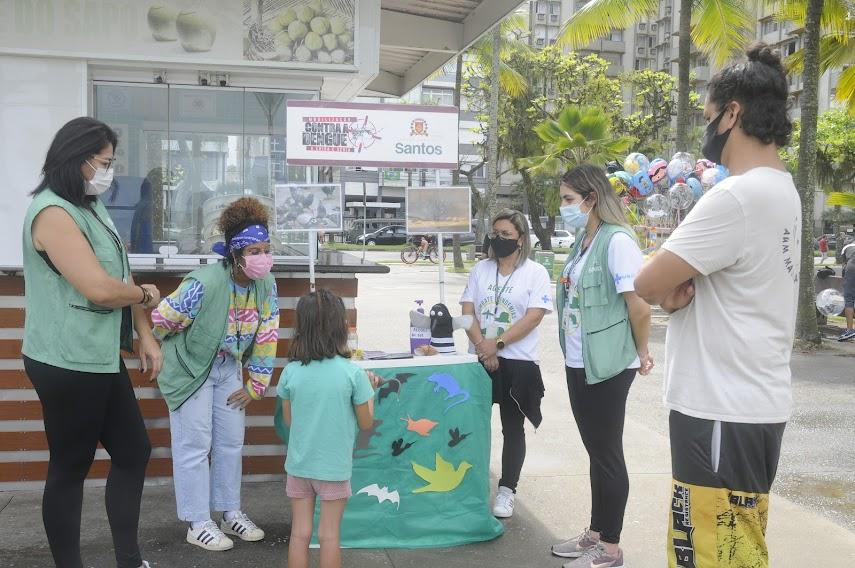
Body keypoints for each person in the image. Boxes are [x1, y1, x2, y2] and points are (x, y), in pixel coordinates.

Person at [634, 42, 799, 567]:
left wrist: (670, 292)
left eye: (709, 116)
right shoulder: (783, 191)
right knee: (736, 548)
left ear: (733, 113)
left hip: (720, 407)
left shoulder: (735, 196)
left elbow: (647, 280)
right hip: (751, 405)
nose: (707, 132)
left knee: (710, 553)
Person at [21, 117, 162, 568]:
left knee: (133, 450)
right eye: (104, 162)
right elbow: (101, 289)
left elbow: (119, 271)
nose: (110, 170)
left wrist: (144, 332)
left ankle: (129, 558)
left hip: (97, 355)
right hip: (65, 358)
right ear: (77, 160)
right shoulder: (53, 214)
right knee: (70, 465)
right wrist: (146, 296)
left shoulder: (88, 204)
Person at [152, 197, 279, 551]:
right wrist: (177, 352)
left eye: (266, 249)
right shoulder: (203, 283)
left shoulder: (266, 285)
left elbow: (268, 332)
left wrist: (256, 384)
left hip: (228, 369)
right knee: (194, 445)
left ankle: (229, 511)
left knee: (230, 443)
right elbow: (161, 319)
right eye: (254, 250)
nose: (262, 257)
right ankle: (197, 521)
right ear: (235, 254)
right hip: (193, 368)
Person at [551, 164, 654, 568]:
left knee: (607, 453)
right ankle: (595, 532)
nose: (564, 208)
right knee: (596, 452)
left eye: (568, 200)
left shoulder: (617, 242)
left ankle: (610, 548)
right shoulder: (584, 240)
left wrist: (642, 351)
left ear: (591, 198)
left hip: (609, 363)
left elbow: (639, 305)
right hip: (580, 359)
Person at [460, 209, 553, 519]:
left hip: (517, 361)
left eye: (506, 235)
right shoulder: (480, 270)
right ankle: (470, 484)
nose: (498, 239)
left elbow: (534, 315)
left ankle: (506, 490)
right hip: (480, 359)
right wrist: (482, 348)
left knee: (513, 428)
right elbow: (467, 310)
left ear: (520, 239)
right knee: (474, 425)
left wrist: (496, 344)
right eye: (495, 233)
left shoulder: (535, 272)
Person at [277, 289, 378, 568]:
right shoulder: (353, 374)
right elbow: (367, 423)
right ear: (340, 328)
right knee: (329, 536)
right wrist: (371, 393)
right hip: (333, 468)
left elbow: (289, 421)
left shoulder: (291, 372)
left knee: (299, 534)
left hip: (299, 466)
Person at [840, 251, 855, 341]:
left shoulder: (847, 246)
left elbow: (844, 264)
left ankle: (850, 330)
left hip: (851, 269)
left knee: (849, 300)